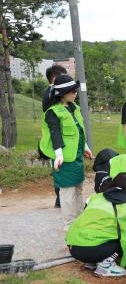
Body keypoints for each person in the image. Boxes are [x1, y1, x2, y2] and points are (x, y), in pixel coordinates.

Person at [66, 173, 126, 277]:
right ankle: (105, 267)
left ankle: (93, 261)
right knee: (124, 236)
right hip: (92, 249)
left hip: (73, 248)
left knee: (104, 231)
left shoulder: (94, 198)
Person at [39, 75, 93, 230]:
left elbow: (78, 131)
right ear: (62, 93)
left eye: (75, 90)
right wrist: (58, 155)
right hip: (64, 159)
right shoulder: (53, 112)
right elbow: (55, 134)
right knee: (67, 191)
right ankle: (69, 225)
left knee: (78, 187)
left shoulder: (74, 108)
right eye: (72, 91)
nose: (75, 93)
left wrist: (86, 147)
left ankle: (79, 219)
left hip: (76, 157)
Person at [42, 65, 67, 208]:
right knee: (59, 166)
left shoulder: (53, 91)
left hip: (60, 136)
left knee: (61, 167)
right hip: (55, 137)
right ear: (56, 79)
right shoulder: (52, 92)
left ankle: (61, 198)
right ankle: (60, 198)